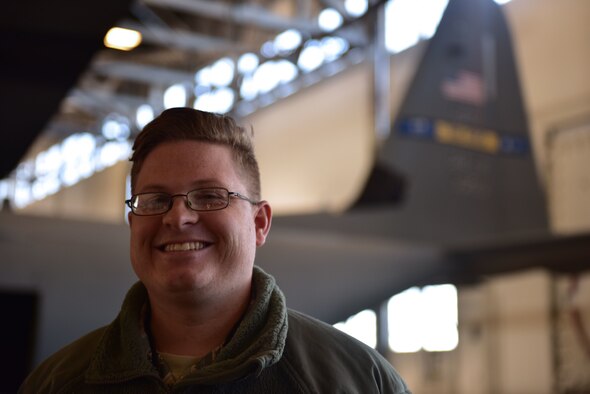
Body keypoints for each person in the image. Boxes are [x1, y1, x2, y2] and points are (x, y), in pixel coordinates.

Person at [20, 108, 411, 393]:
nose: (177, 216)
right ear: (133, 223)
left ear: (259, 224)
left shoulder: (357, 381)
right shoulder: (58, 382)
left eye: (209, 196)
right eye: (154, 199)